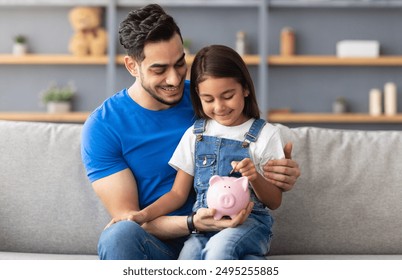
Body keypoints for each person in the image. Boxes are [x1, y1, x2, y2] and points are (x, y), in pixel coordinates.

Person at [81, 4, 300, 260]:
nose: (174, 80)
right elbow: (131, 221)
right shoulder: (104, 127)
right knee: (118, 236)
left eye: (179, 63)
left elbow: (252, 136)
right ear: (132, 66)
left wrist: (280, 173)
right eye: (159, 69)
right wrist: (193, 222)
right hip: (163, 240)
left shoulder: (205, 97)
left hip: (230, 230)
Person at [128, 44, 285, 260]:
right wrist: (144, 214)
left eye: (228, 95)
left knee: (219, 250)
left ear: (245, 89)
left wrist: (254, 177)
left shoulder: (266, 134)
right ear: (199, 97)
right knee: (188, 256)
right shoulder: (196, 133)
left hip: (250, 223)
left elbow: (274, 201)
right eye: (209, 99)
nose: (219, 107)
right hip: (204, 222)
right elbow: (177, 194)